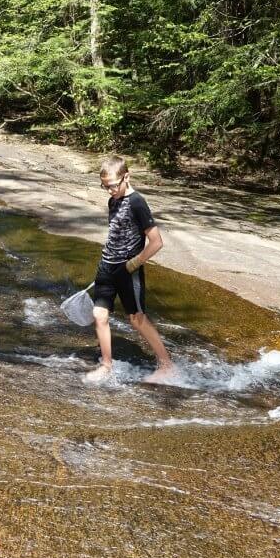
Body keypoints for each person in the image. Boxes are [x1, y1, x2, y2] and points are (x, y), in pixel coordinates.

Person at [83, 155, 177, 385]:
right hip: (106, 266)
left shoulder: (137, 202)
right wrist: (109, 264)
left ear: (127, 177)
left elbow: (156, 241)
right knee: (99, 315)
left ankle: (167, 365)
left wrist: (133, 264)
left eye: (113, 185)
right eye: (105, 186)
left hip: (128, 270)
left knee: (137, 320)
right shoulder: (113, 200)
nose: (109, 191)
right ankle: (106, 365)